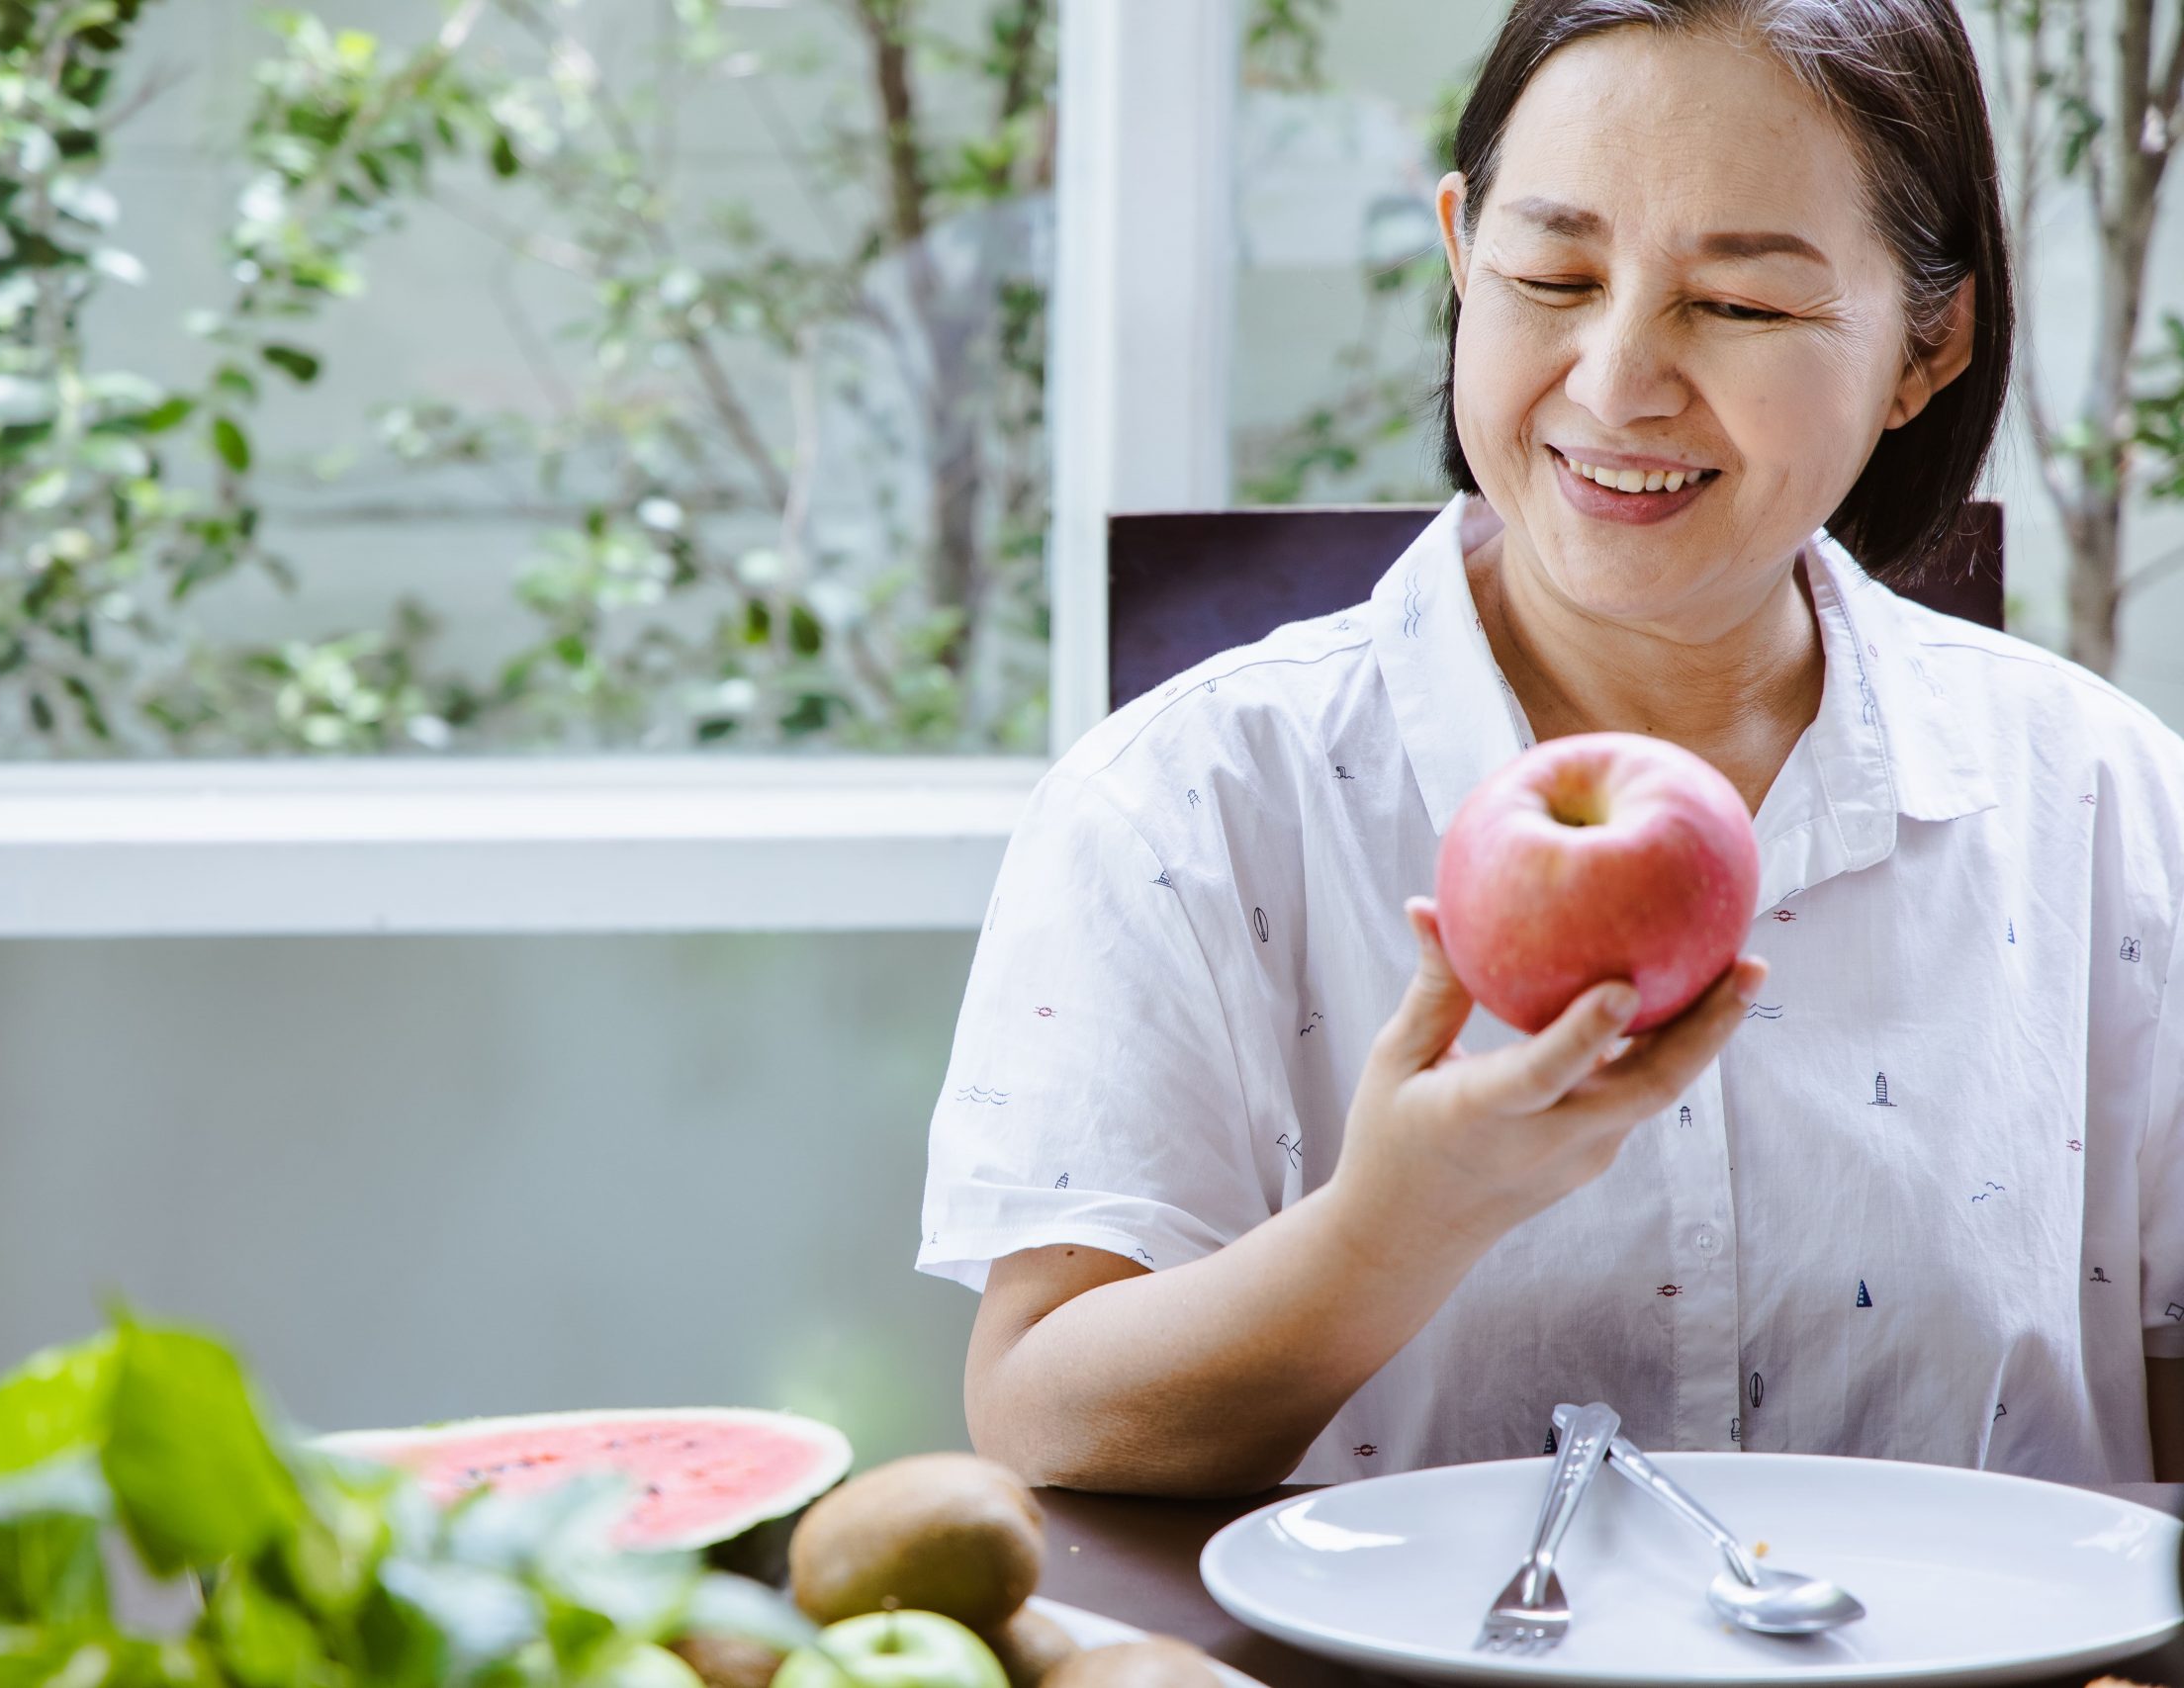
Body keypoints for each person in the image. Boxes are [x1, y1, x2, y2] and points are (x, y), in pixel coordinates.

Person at [917, 0, 2184, 1494]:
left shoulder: (2106, 800)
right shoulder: (1180, 803)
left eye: (1743, 305)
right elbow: (1051, 1418)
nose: (1615, 380)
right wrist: (1391, 1226)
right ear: (1462, 255)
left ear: (1929, 344)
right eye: (1552, 274)